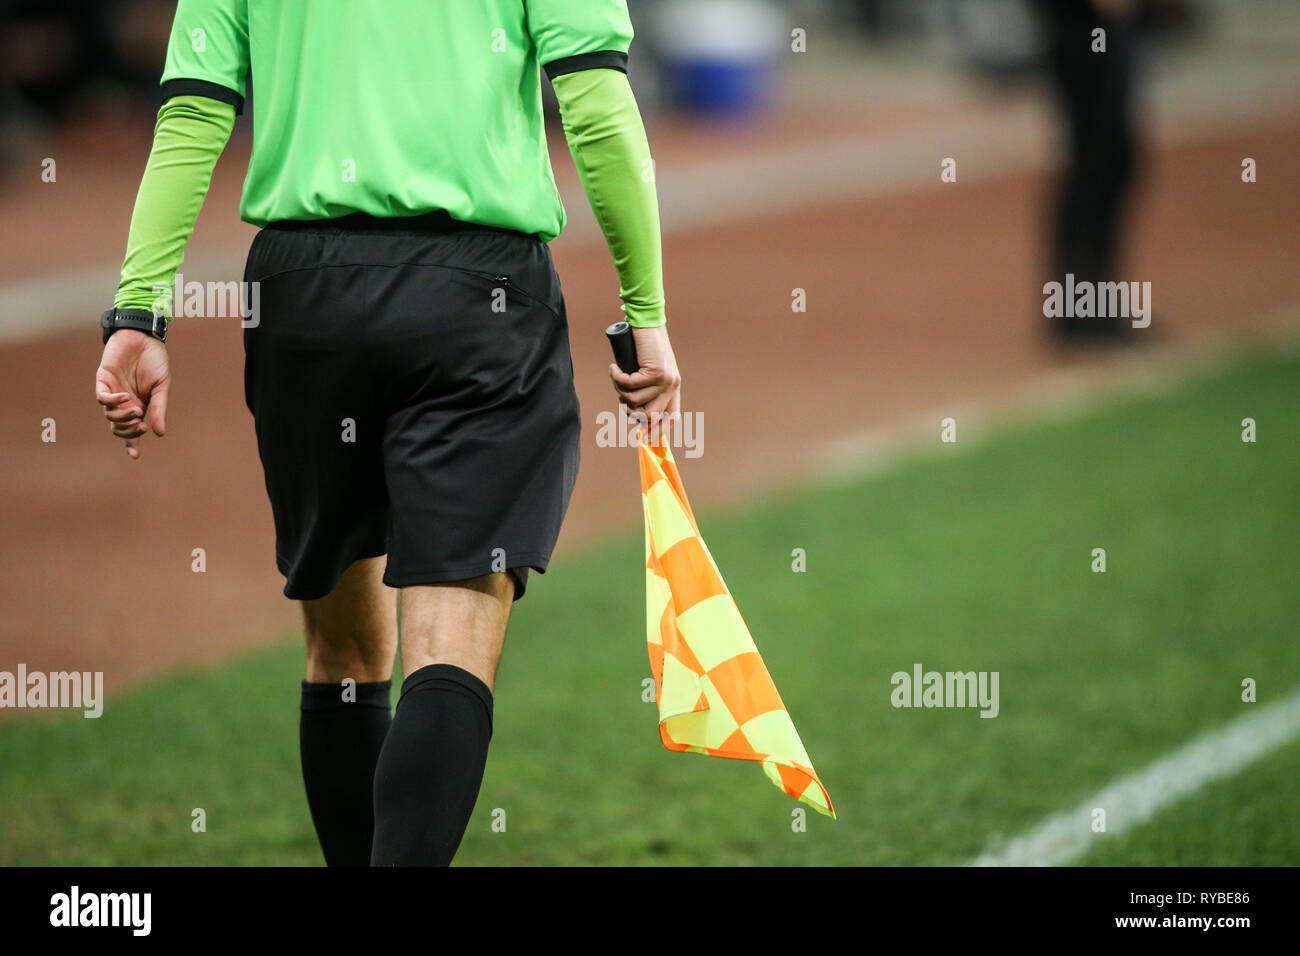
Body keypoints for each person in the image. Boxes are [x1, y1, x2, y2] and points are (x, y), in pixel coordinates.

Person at [93, 0, 681, 867]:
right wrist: (647, 310)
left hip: (301, 299)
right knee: (448, 645)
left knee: (342, 650)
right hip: (477, 297)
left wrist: (140, 309)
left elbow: (193, 110)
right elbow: (594, 102)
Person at [1032, 0, 1141, 340]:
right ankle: (1081, 310)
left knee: (1107, 164)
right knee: (1096, 168)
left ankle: (1088, 306)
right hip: (1084, 34)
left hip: (1091, 33)